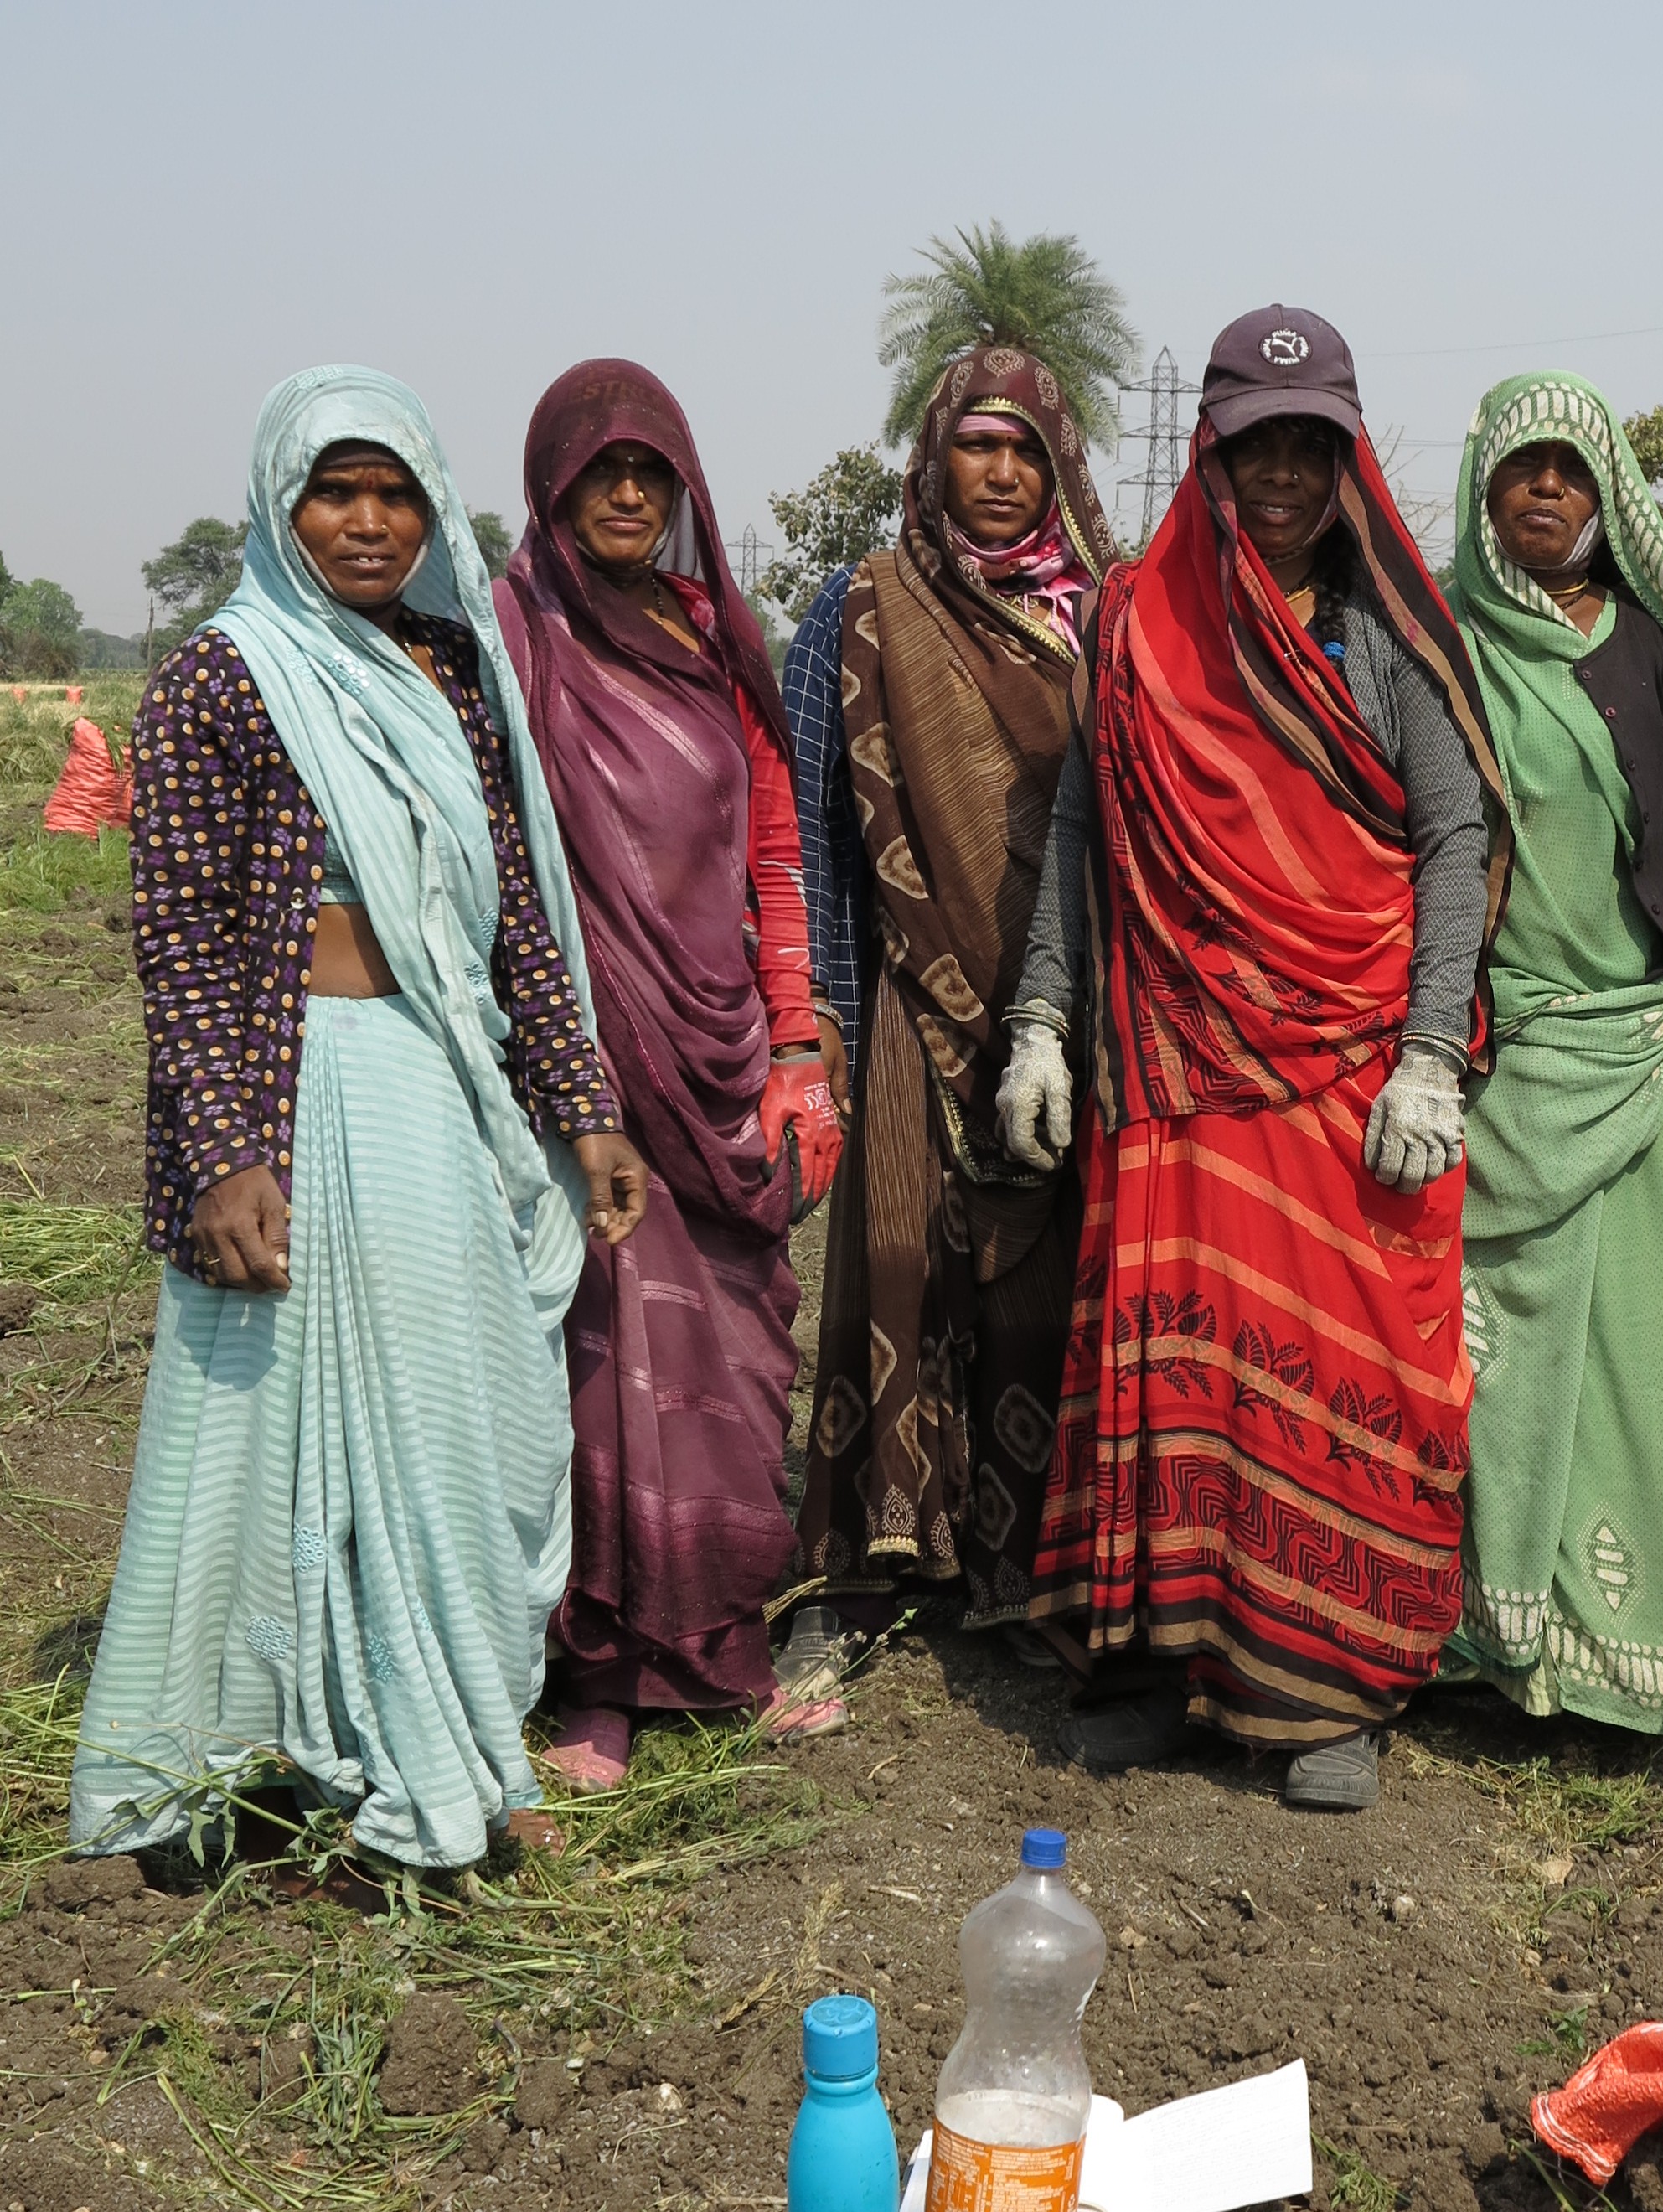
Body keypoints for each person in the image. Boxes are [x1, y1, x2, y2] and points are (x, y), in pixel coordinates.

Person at [72, 366, 648, 1880]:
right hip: (298, 1086)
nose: (372, 521)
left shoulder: (451, 671)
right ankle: (258, 1758)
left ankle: (453, 1729)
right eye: (338, 491)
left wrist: (582, 1108)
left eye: (397, 492)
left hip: (433, 1069)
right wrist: (230, 1151)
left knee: (462, 1429)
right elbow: (183, 935)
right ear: (281, 501)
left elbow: (513, 910)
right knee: (275, 1439)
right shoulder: (221, 674)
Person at [994, 306, 1501, 1811]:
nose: (1278, 475)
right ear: (1207, 450)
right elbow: (1089, 825)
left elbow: (1454, 837)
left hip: (1347, 1062)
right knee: (1185, 1363)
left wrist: (1430, 1053)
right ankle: (1169, 1663)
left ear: (1346, 458)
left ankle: (1324, 1688)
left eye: (1308, 446)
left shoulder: (1389, 630)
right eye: (1252, 445)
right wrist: (1043, 1018)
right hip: (1177, 1066)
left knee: (1352, 1367)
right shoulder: (1140, 622)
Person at [496, 361, 844, 1791]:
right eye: (600, 474)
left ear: (686, 490)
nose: (628, 495)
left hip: (719, 1061)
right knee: (596, 1370)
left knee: (737, 1362)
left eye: (652, 473)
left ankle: (723, 1652)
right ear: (555, 488)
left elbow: (773, 853)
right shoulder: (513, 645)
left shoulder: (715, 643)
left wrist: (800, 1041)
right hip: (575, 1065)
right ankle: (598, 1681)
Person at [1442, 374, 1663, 1739]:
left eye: (1573, 474)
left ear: (1609, 499)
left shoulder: (1649, 647)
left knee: (1646, 1373)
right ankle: (1491, 1652)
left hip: (1646, 1058)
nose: (1547, 493)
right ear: (1482, 489)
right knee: (1503, 1364)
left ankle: (1633, 1663)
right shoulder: (1440, 643)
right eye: (1522, 470)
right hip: (1503, 1062)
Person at [776, 346, 1114, 1680]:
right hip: (912, 995)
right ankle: (865, 1559)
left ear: (1060, 466)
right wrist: (820, 1022)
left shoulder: (1113, 618)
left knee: (1043, 1288)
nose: (1001, 474)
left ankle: (1029, 1568)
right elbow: (805, 825)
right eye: (978, 446)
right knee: (900, 1268)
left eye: (1026, 450)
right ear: (933, 458)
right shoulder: (860, 608)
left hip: (1074, 1004)